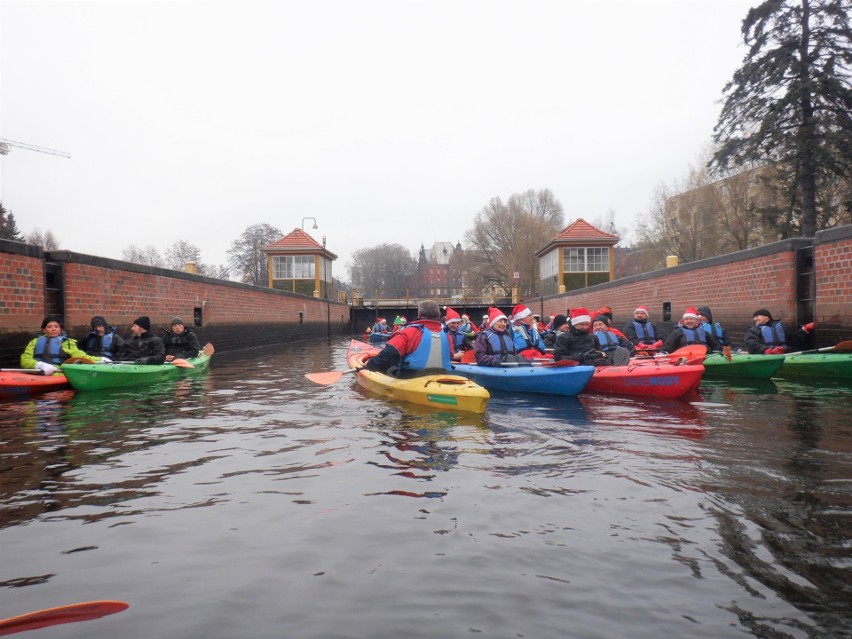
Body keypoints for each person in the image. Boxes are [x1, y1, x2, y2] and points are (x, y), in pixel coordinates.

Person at [364, 300, 453, 374]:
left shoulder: (410, 332)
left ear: (419, 314)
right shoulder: (447, 335)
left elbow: (388, 355)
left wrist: (370, 364)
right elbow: (451, 356)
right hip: (442, 375)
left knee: (391, 368)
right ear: (439, 315)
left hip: (412, 376)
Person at [21, 315, 97, 374]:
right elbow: (25, 359)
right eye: (49, 327)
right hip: (37, 371)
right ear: (44, 330)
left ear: (60, 329)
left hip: (57, 372)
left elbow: (80, 356)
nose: (53, 329)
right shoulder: (35, 342)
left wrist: (99, 359)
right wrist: (39, 365)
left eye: (56, 327)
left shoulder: (66, 342)